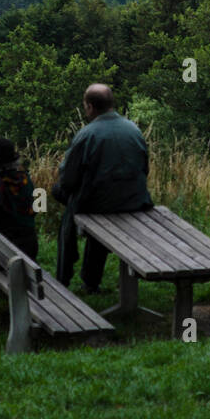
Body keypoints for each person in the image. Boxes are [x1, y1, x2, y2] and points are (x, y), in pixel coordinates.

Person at [53, 84, 152, 292]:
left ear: (89, 106)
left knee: (64, 196)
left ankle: (62, 278)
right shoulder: (133, 129)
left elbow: (68, 180)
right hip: (136, 200)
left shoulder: (86, 134)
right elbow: (145, 168)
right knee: (96, 198)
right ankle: (90, 280)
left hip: (99, 204)